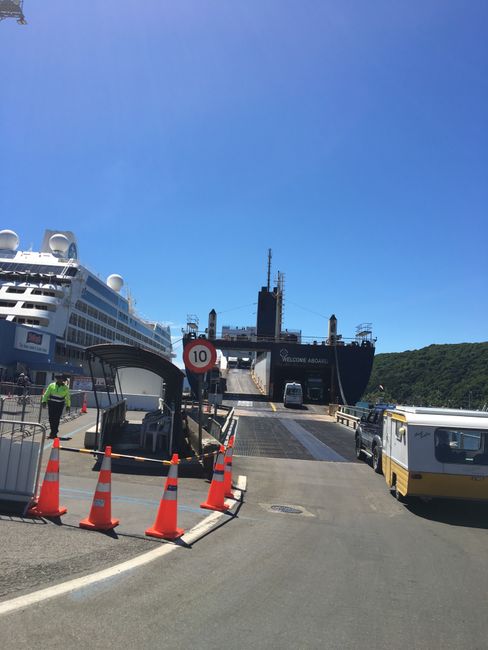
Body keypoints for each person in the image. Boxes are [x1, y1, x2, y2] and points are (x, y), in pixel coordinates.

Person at [42, 374, 71, 439]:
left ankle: (54, 433)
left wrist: (68, 405)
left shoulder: (65, 387)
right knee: (51, 418)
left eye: (62, 379)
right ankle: (53, 431)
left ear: (63, 380)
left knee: (56, 418)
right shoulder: (51, 385)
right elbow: (46, 394)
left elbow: (67, 397)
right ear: (57, 379)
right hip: (51, 404)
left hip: (60, 405)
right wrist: (44, 401)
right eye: (59, 378)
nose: (60, 380)